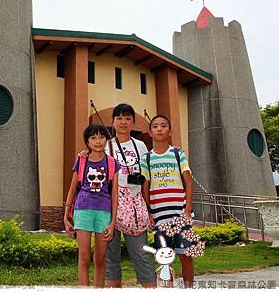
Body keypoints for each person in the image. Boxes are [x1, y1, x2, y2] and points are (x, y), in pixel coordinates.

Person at [104, 104, 156, 288]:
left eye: (127, 118)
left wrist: (149, 208)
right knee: (111, 255)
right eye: (119, 118)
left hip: (135, 206)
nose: (123, 122)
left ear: (133, 121)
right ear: (113, 121)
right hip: (110, 206)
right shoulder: (106, 145)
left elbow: (147, 178)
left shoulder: (140, 146)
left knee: (141, 252)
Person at [142, 115, 195, 288]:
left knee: (186, 256)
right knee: (165, 260)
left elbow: (188, 182)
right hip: (159, 218)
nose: (159, 129)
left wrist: (187, 210)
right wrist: (149, 213)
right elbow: (145, 188)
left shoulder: (178, 154)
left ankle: (189, 288)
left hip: (180, 215)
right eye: (155, 126)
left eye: (163, 126)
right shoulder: (146, 159)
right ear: (150, 132)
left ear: (170, 131)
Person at [64, 124, 120, 287]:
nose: (98, 141)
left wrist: (112, 222)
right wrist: (66, 216)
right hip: (82, 211)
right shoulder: (81, 160)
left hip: (103, 213)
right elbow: (72, 188)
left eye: (101, 137)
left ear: (106, 139)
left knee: (100, 259)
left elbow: (114, 194)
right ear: (87, 141)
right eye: (93, 137)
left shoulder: (112, 163)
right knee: (84, 258)